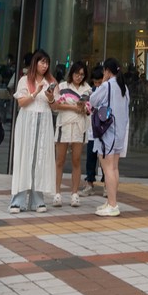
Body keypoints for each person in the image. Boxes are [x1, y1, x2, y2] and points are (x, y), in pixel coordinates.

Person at [9, 50, 57, 212]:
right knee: (24, 156)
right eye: (42, 62)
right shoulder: (25, 80)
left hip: (44, 121)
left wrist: (50, 96)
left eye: (47, 63)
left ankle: (38, 200)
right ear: (35, 63)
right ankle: (18, 200)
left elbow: (54, 105)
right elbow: (21, 103)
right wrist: (36, 92)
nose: (45, 66)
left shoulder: (51, 81)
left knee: (40, 158)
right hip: (27, 120)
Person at [88, 58, 130, 218]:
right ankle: (111, 201)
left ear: (107, 70)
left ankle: (112, 204)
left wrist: (104, 81)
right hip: (118, 133)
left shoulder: (107, 85)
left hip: (107, 132)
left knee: (108, 168)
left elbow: (93, 100)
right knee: (114, 168)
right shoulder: (123, 87)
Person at [51, 60, 94, 207]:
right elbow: (56, 106)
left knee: (76, 160)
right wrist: (74, 107)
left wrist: (83, 109)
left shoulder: (87, 89)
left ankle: (74, 194)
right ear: (72, 73)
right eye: (77, 73)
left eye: (82, 74)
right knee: (60, 160)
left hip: (78, 127)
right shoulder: (62, 87)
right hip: (64, 125)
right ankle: (57, 193)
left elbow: (89, 109)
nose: (79, 77)